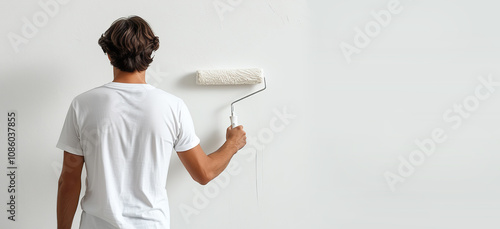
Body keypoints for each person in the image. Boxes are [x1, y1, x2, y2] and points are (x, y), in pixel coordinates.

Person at [56, 15, 246, 229]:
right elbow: (204, 173)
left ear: (109, 55)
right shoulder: (172, 107)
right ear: (150, 54)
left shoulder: (83, 105)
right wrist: (232, 144)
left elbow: (69, 180)